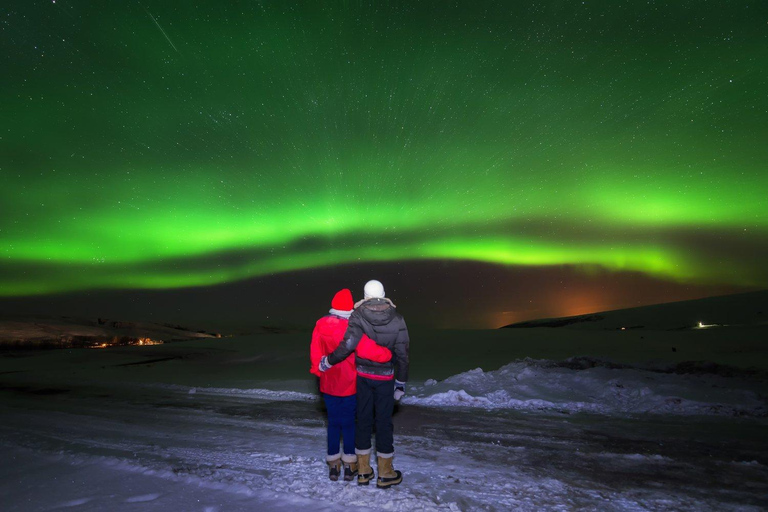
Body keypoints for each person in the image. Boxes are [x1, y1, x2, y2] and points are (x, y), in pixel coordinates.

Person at [318, 279, 410, 488]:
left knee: (363, 421)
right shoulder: (398, 318)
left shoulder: (357, 315)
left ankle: (364, 471)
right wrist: (401, 382)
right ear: (384, 293)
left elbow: (348, 345)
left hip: (363, 377)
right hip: (385, 379)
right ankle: (386, 473)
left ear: (365, 296)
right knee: (384, 423)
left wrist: (328, 361)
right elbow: (403, 353)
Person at [310, 288, 392, 482]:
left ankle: (333, 466)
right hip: (349, 384)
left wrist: (318, 370)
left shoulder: (320, 324)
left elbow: (315, 352)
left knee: (333, 423)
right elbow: (367, 348)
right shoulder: (351, 327)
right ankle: (349, 465)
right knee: (348, 424)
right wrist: (388, 355)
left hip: (328, 383)